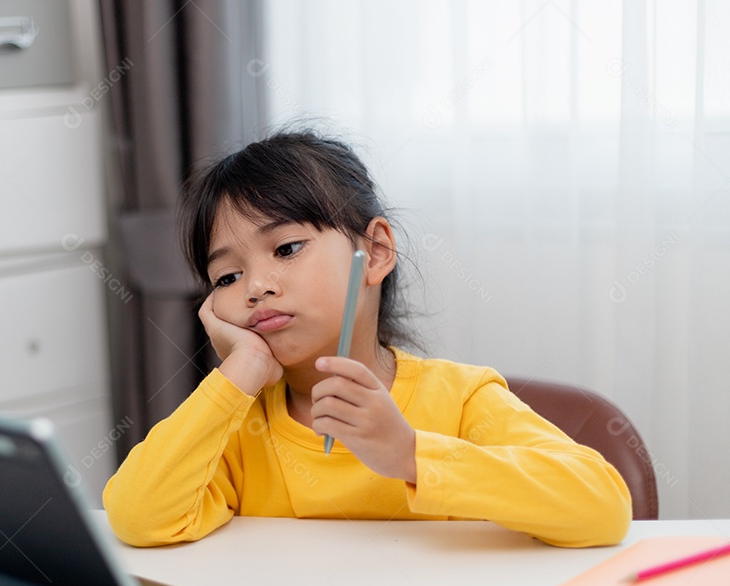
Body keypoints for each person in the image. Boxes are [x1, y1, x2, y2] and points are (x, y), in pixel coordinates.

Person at [103, 130, 631, 549]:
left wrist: (409, 455)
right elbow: (137, 516)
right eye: (226, 278)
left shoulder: (459, 400)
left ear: (375, 252)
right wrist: (238, 372)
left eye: (286, 248)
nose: (256, 287)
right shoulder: (239, 426)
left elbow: (602, 506)